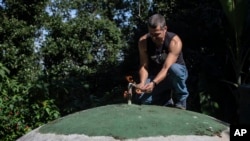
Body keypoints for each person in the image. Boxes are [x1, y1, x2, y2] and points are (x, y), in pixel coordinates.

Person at [135, 14, 189, 109]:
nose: (153, 38)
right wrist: (143, 83)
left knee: (174, 69)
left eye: (157, 34)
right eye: (151, 34)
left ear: (165, 29)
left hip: (175, 74)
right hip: (157, 76)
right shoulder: (143, 41)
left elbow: (166, 68)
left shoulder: (175, 42)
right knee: (142, 99)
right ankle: (165, 99)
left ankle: (181, 99)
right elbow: (144, 65)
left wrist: (153, 83)